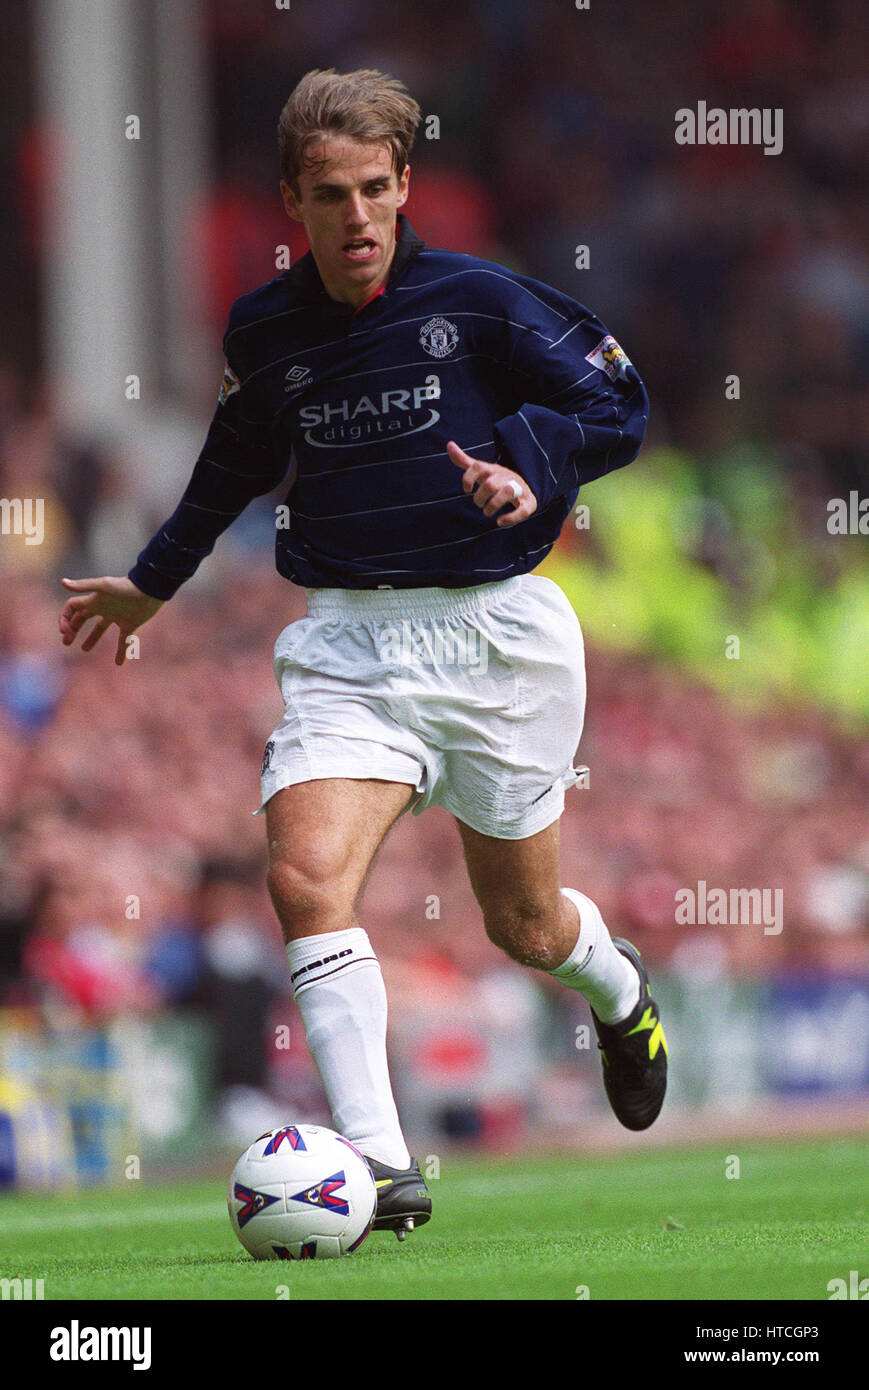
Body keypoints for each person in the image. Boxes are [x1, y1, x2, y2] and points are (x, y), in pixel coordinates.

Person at [59, 68, 668, 1242]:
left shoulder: (480, 299)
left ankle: (618, 987)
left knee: (523, 928)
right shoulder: (265, 329)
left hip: (495, 637)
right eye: (329, 194)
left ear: (403, 186)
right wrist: (153, 582)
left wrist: (526, 462)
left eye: (374, 189)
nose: (355, 216)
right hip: (349, 641)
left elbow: (618, 403)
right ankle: (381, 1166)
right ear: (292, 199)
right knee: (302, 875)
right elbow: (232, 463)